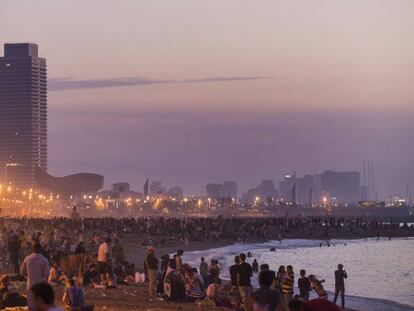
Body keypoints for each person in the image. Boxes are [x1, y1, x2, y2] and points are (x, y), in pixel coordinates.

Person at [21, 243, 50, 311]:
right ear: (40, 249)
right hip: (41, 285)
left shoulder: (27, 259)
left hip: (30, 285)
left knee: (31, 305)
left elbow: (22, 272)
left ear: (32, 249)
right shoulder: (44, 260)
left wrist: (28, 276)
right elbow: (46, 274)